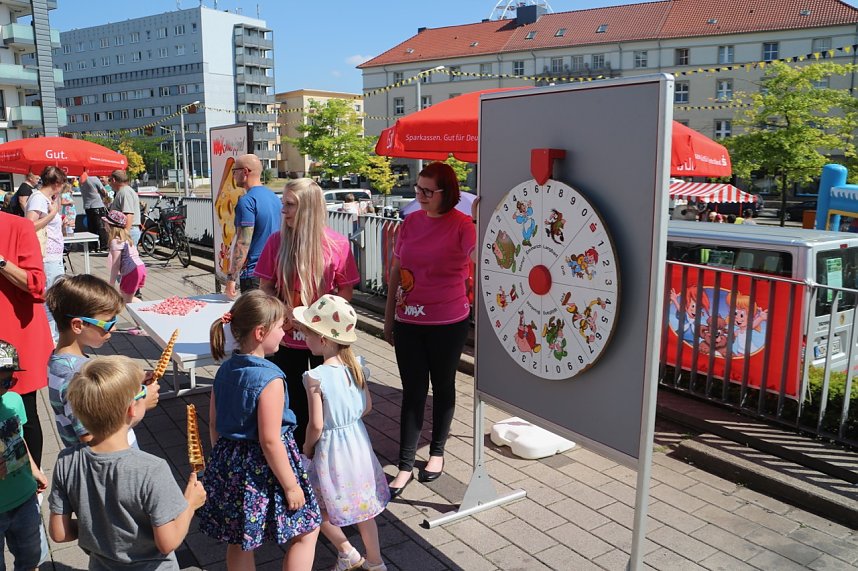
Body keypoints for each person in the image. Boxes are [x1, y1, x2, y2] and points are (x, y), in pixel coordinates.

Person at [48, 355, 206, 570]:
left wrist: (101, 529)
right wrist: (190, 503)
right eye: (142, 390)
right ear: (131, 408)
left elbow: (60, 532)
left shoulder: (66, 461)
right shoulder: (152, 469)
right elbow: (167, 542)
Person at [200, 290, 321, 570]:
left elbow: (214, 424)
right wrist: (290, 485)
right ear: (260, 332)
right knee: (307, 528)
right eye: (280, 327)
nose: (285, 332)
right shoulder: (271, 378)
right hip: (267, 468)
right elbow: (269, 439)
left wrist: (223, 463)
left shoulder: (224, 370)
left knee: (240, 539)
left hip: (230, 465)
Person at [383, 162, 476, 496]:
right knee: (412, 391)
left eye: (427, 191)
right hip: (409, 321)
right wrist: (389, 315)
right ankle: (405, 463)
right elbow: (397, 268)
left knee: (443, 386)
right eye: (417, 188)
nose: (418, 195)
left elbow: (480, 256)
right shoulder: (410, 222)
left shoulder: (463, 225)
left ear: (446, 192)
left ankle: (437, 451)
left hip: (448, 321)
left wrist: (484, 222)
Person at [254, 178, 359, 449]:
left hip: (324, 341)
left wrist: (322, 321)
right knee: (293, 402)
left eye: (290, 204)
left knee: (326, 400)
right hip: (287, 339)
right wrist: (283, 313)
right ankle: (298, 455)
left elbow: (346, 293)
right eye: (283, 204)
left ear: (309, 208)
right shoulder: (277, 242)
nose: (283, 211)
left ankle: (325, 454)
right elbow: (265, 287)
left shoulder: (337, 245)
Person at [296, 295, 390, 571]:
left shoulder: (315, 376)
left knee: (317, 505)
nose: (304, 337)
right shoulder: (356, 366)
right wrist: (347, 422)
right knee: (363, 508)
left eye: (308, 333)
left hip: (331, 451)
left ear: (324, 340)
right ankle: (375, 561)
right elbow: (367, 406)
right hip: (358, 446)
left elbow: (316, 424)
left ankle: (346, 550)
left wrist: (307, 449)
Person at [46, 274, 158, 450]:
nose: (113, 328)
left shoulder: (62, 362)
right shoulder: (74, 376)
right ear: (78, 325)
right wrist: (140, 407)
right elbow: (94, 441)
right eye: (107, 323)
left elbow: (101, 407)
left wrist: (131, 388)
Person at [0, 210, 52, 467]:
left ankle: (34, 485)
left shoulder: (18, 226)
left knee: (24, 413)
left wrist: (1, 262)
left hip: (12, 337)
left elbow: (37, 284)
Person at [0, 339, 49, 571]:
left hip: (25, 496)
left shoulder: (14, 401)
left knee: (32, 558)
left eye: (9, 381)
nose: (4, 388)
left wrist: (34, 469)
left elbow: (19, 439)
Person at [224, 154, 282, 298]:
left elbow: (243, 242)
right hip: (276, 271)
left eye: (234, 171)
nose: (233, 175)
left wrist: (231, 278)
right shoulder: (274, 198)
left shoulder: (247, 201)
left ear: (245, 172)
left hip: (254, 274)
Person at [102, 210, 147, 303]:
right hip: (140, 268)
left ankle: (145, 312)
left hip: (131, 272)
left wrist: (111, 283)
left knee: (127, 301)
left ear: (111, 226)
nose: (104, 226)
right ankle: (143, 309)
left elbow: (116, 264)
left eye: (105, 223)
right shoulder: (126, 238)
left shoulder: (116, 241)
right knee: (125, 297)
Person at [108, 170, 142, 246]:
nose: (109, 184)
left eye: (109, 180)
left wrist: (125, 235)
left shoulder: (125, 192)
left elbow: (129, 215)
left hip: (128, 230)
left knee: (126, 257)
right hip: (128, 230)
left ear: (114, 180)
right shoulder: (125, 191)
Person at [79, 171, 109, 250]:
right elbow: (104, 191)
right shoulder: (94, 178)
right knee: (101, 227)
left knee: (91, 228)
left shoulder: (81, 180)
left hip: (87, 206)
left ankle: (92, 247)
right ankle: (104, 246)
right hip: (97, 205)